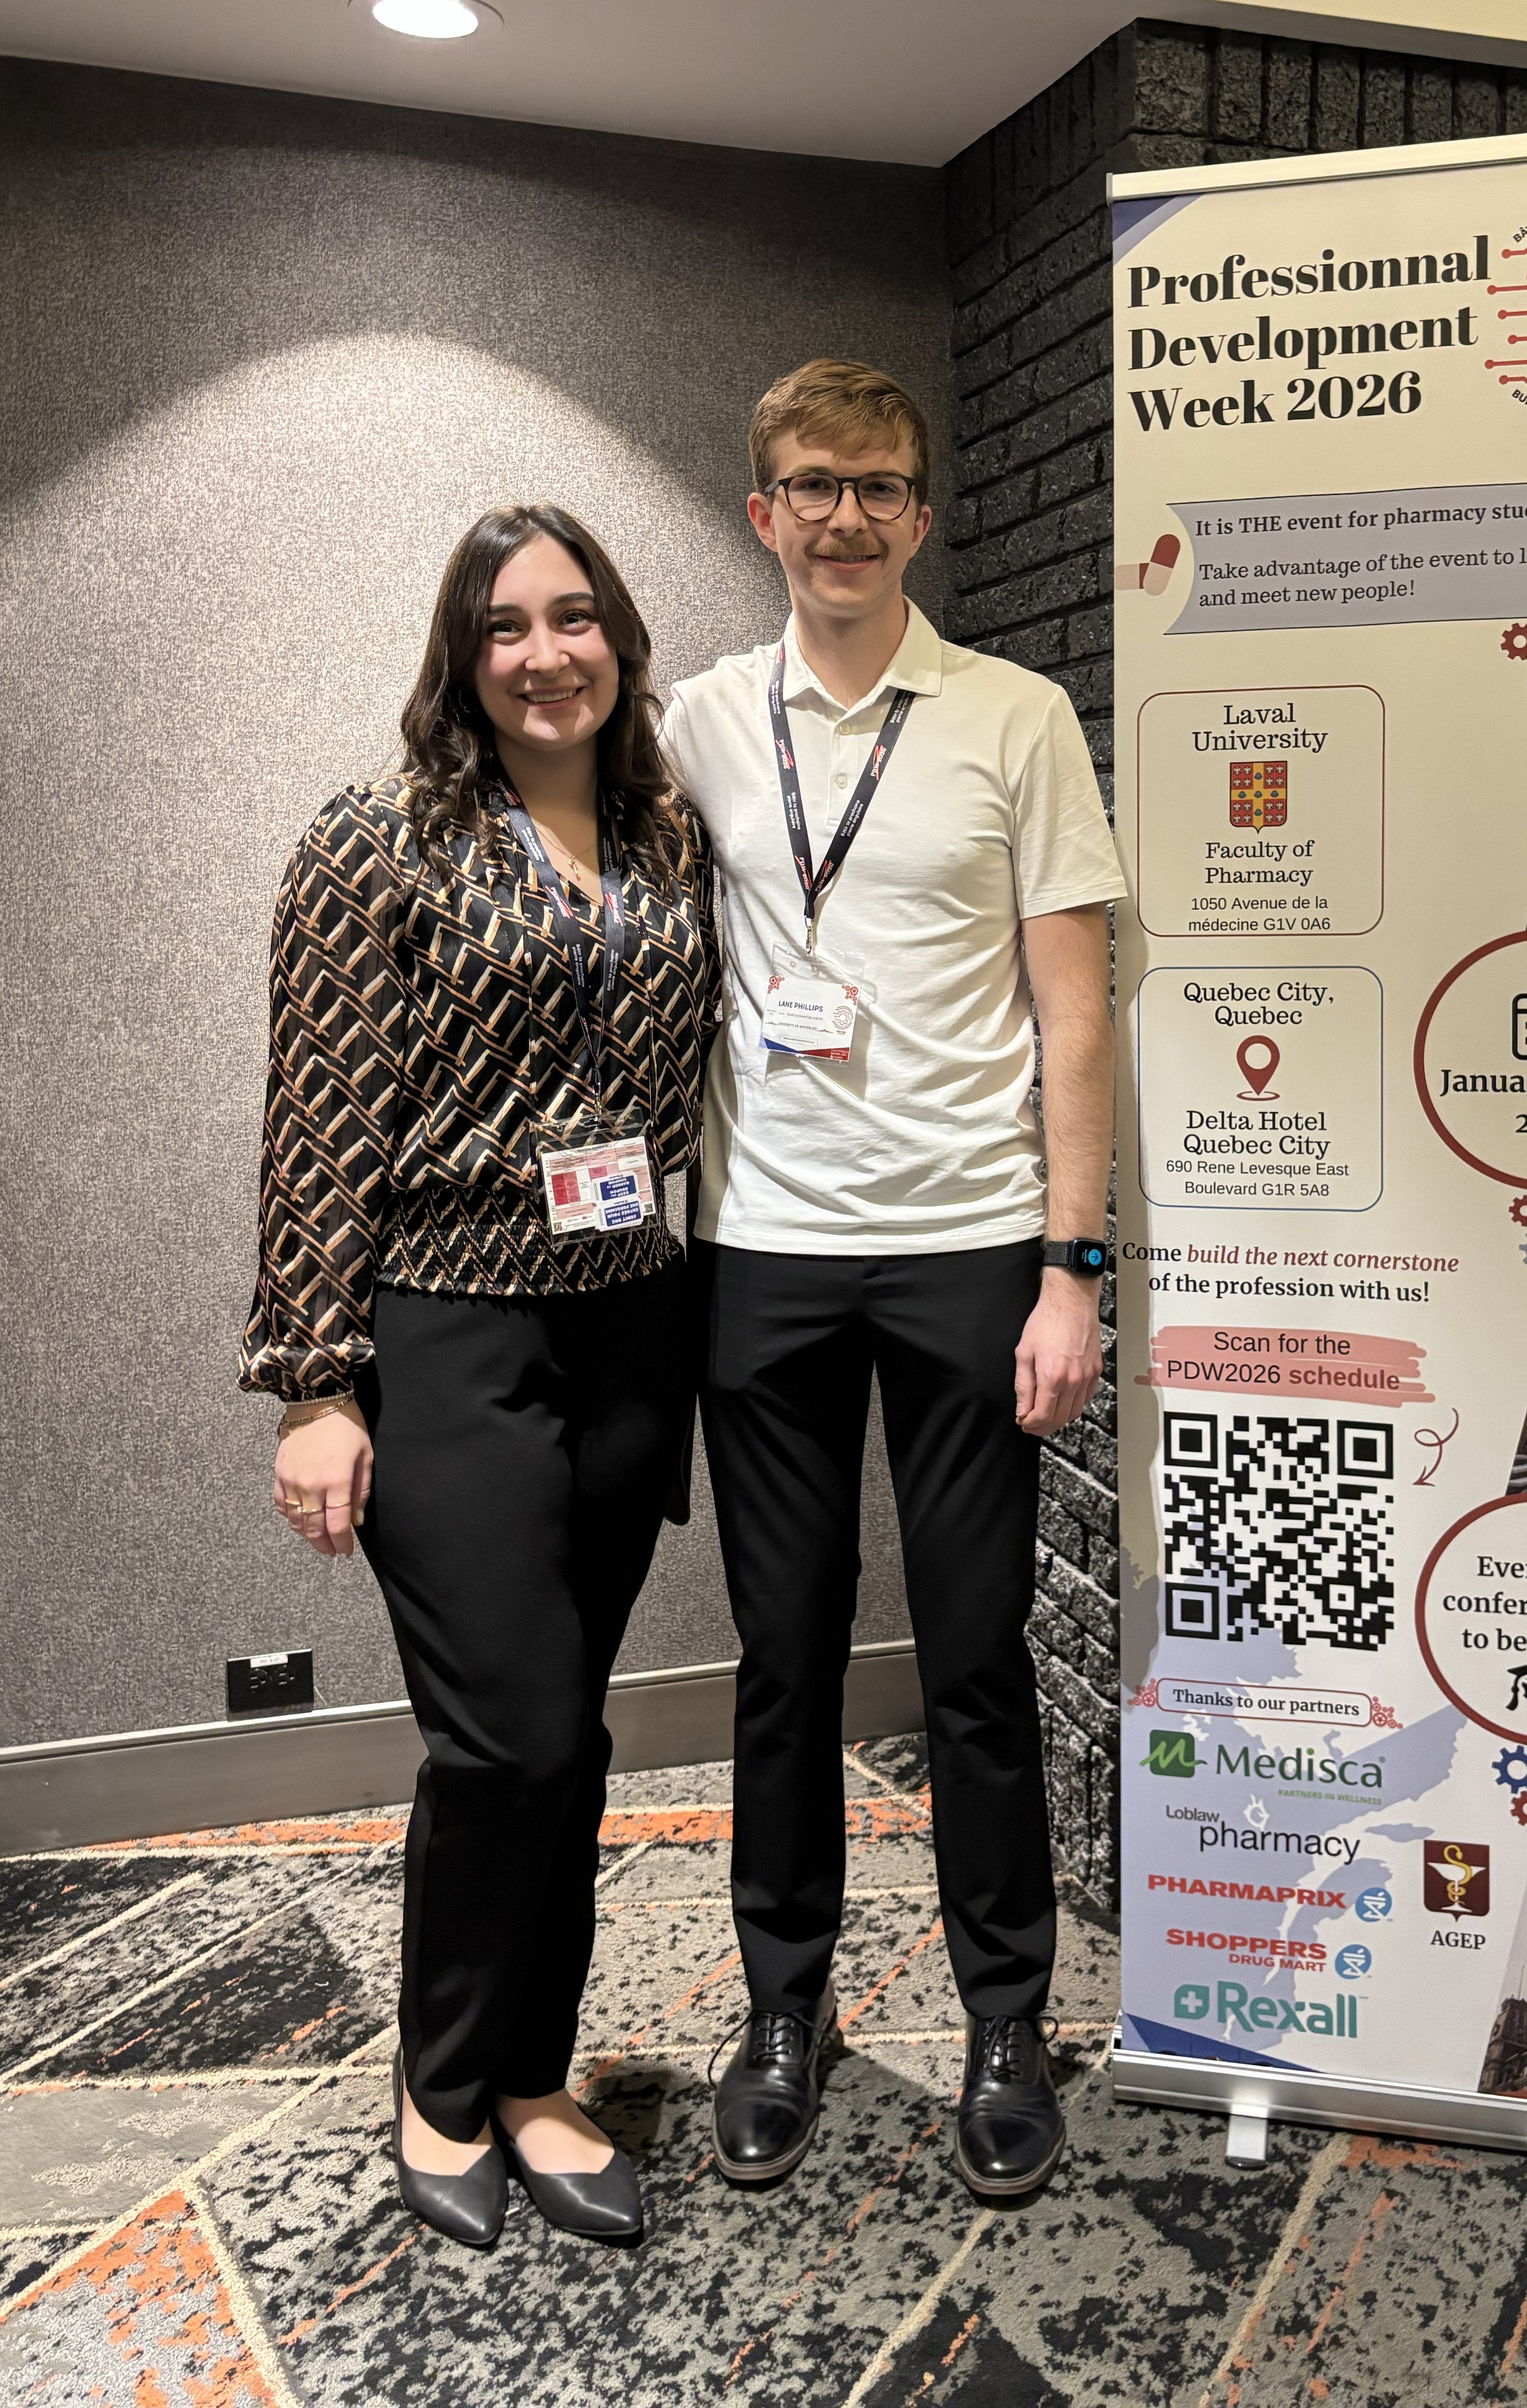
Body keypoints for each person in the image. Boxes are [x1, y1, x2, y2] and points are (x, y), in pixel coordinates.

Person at [661, 359, 1123, 2199]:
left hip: (965, 1250)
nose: (843, 515)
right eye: (806, 486)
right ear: (759, 512)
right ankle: (787, 2010)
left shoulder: (1015, 717)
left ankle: (1004, 2018)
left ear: (922, 516)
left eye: (876, 485)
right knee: (780, 1659)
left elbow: (1077, 1014)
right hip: (759, 1253)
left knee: (977, 1658)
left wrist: (1073, 1267)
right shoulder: (694, 720)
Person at [242, 505, 715, 2250]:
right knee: (504, 1733)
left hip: (627, 1329)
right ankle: (439, 2085)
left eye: (575, 617)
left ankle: (532, 2077)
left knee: (566, 1738)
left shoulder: (673, 841)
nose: (545, 653)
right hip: (448, 1332)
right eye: (505, 625)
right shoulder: (377, 845)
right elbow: (318, 1125)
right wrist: (313, 1382)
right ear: (462, 655)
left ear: (620, 640)